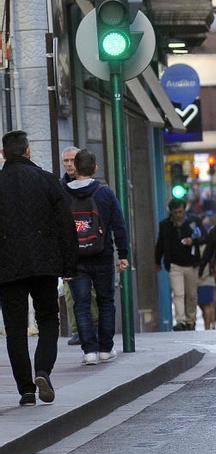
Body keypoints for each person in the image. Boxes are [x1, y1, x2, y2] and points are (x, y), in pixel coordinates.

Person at [0, 130, 77, 405]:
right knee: (47, 319)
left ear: (3, 154)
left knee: (15, 328)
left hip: (7, 268)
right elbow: (66, 225)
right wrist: (69, 264)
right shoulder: (47, 181)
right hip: (45, 263)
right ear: (28, 151)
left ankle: (26, 391)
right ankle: (43, 370)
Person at [64, 149, 130, 363]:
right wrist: (123, 254)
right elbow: (119, 226)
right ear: (94, 168)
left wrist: (62, 262)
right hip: (102, 255)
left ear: (75, 168)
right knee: (105, 301)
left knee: (81, 303)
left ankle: (89, 351)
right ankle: (105, 348)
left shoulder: (63, 193)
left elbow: (57, 229)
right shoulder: (104, 192)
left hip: (75, 259)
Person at [155, 198, 203, 331]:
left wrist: (193, 242)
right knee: (178, 294)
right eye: (175, 212)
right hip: (175, 265)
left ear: (185, 209)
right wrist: (157, 261)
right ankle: (180, 321)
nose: (178, 215)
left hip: (191, 264)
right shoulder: (165, 225)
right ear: (170, 212)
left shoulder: (193, 222)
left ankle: (190, 320)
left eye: (180, 212)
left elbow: (204, 237)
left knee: (192, 295)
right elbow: (160, 244)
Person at [60, 145, 83, 345]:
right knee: (70, 292)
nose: (69, 164)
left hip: (89, 245)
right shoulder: (61, 186)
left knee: (90, 293)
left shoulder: (89, 184)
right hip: (69, 248)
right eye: (65, 161)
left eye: (72, 160)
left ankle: (90, 328)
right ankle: (77, 330)